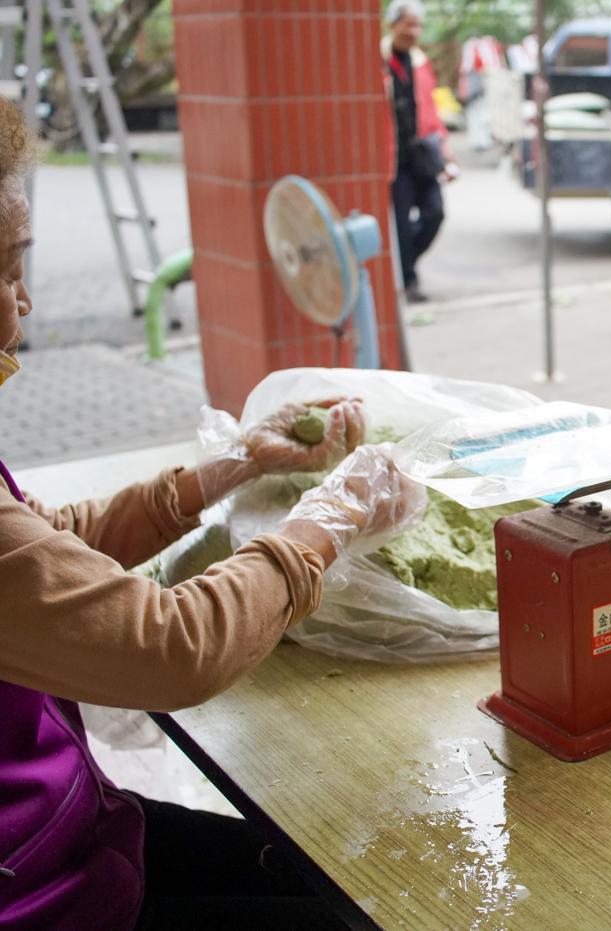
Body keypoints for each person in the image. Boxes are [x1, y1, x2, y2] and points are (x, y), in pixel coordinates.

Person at [0, 102, 427, 929]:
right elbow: (171, 646)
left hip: (70, 828)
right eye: (7, 268)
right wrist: (329, 517)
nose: (21, 303)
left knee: (334, 878)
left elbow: (46, 544)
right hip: (41, 895)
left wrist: (234, 464)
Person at [383, 0, 457, 304]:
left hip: (423, 154)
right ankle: (409, 279)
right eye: (409, 24)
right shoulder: (379, 60)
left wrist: (445, 144)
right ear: (393, 25)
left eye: (418, 25)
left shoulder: (420, 62)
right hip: (394, 157)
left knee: (435, 212)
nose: (415, 31)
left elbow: (430, 107)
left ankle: (403, 263)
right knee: (400, 222)